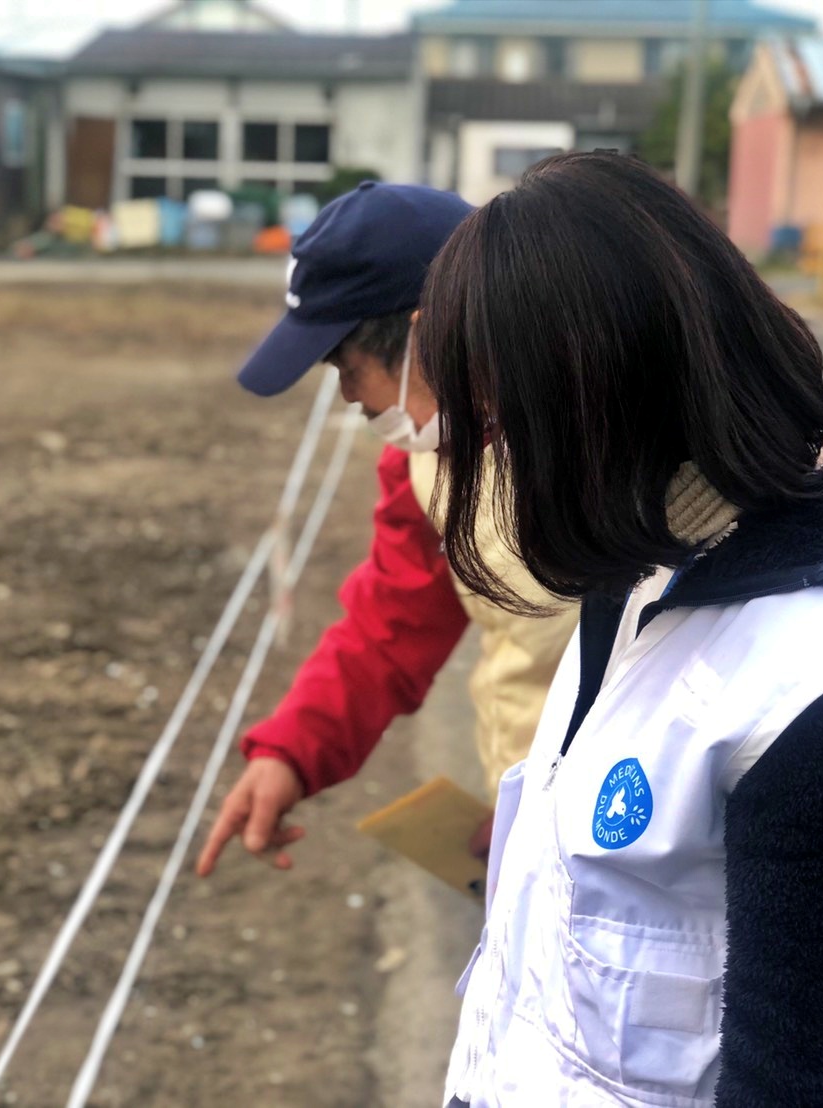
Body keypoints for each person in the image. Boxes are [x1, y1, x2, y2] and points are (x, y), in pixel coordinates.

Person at [418, 153, 823, 1107]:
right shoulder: (650, 559)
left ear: (601, 402)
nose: (497, 462)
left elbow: (797, 1085)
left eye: (509, 427)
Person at [195, 181, 579, 878]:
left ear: (428, 332)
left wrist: (567, 817)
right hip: (537, 831)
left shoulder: (614, 446)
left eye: (346, 367)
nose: (346, 396)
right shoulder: (428, 463)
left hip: (640, 846)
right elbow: (388, 625)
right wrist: (290, 752)